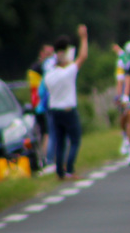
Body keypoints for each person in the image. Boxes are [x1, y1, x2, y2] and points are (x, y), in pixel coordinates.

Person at [44, 25, 88, 180]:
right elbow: (82, 56)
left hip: (54, 110)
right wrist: (84, 37)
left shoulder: (49, 75)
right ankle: (70, 168)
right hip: (68, 109)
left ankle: (59, 172)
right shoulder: (67, 72)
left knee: (60, 142)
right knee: (75, 140)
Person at [27, 44, 54, 166]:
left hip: (49, 104)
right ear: (41, 53)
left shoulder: (49, 67)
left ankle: (48, 157)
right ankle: (46, 159)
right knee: (46, 133)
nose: (50, 57)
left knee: (48, 132)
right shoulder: (36, 69)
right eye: (48, 54)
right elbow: (37, 90)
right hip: (40, 106)